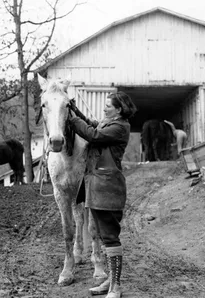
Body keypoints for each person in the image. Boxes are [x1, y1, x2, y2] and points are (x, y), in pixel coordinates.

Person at [69, 92, 137, 298]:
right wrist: (75, 111)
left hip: (108, 189)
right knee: (104, 237)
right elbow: (93, 124)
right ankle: (109, 279)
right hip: (96, 187)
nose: (105, 108)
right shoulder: (110, 123)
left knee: (110, 237)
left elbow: (93, 134)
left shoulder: (120, 127)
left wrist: (71, 119)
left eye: (109, 105)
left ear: (119, 109)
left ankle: (115, 286)